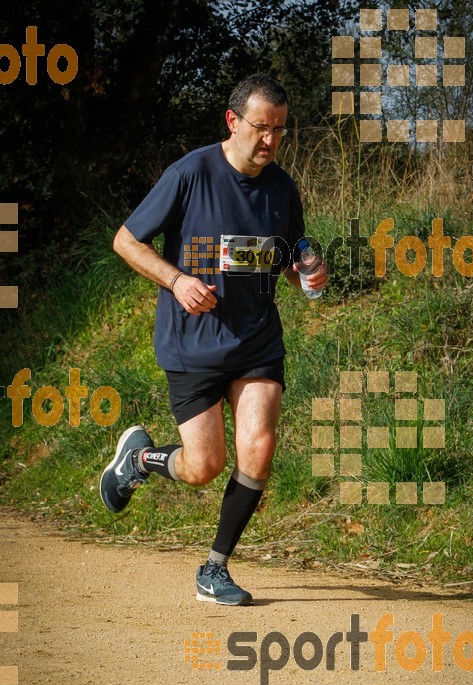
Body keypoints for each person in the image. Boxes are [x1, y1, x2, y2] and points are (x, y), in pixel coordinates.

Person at [99, 74, 328, 606]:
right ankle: (139, 463)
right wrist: (176, 280)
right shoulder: (190, 173)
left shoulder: (282, 188)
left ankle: (214, 568)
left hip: (256, 342)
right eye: (260, 127)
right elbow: (126, 240)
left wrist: (308, 273)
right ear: (232, 121)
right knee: (203, 467)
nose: (270, 140)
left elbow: (291, 258)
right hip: (193, 344)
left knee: (260, 447)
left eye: (279, 130)